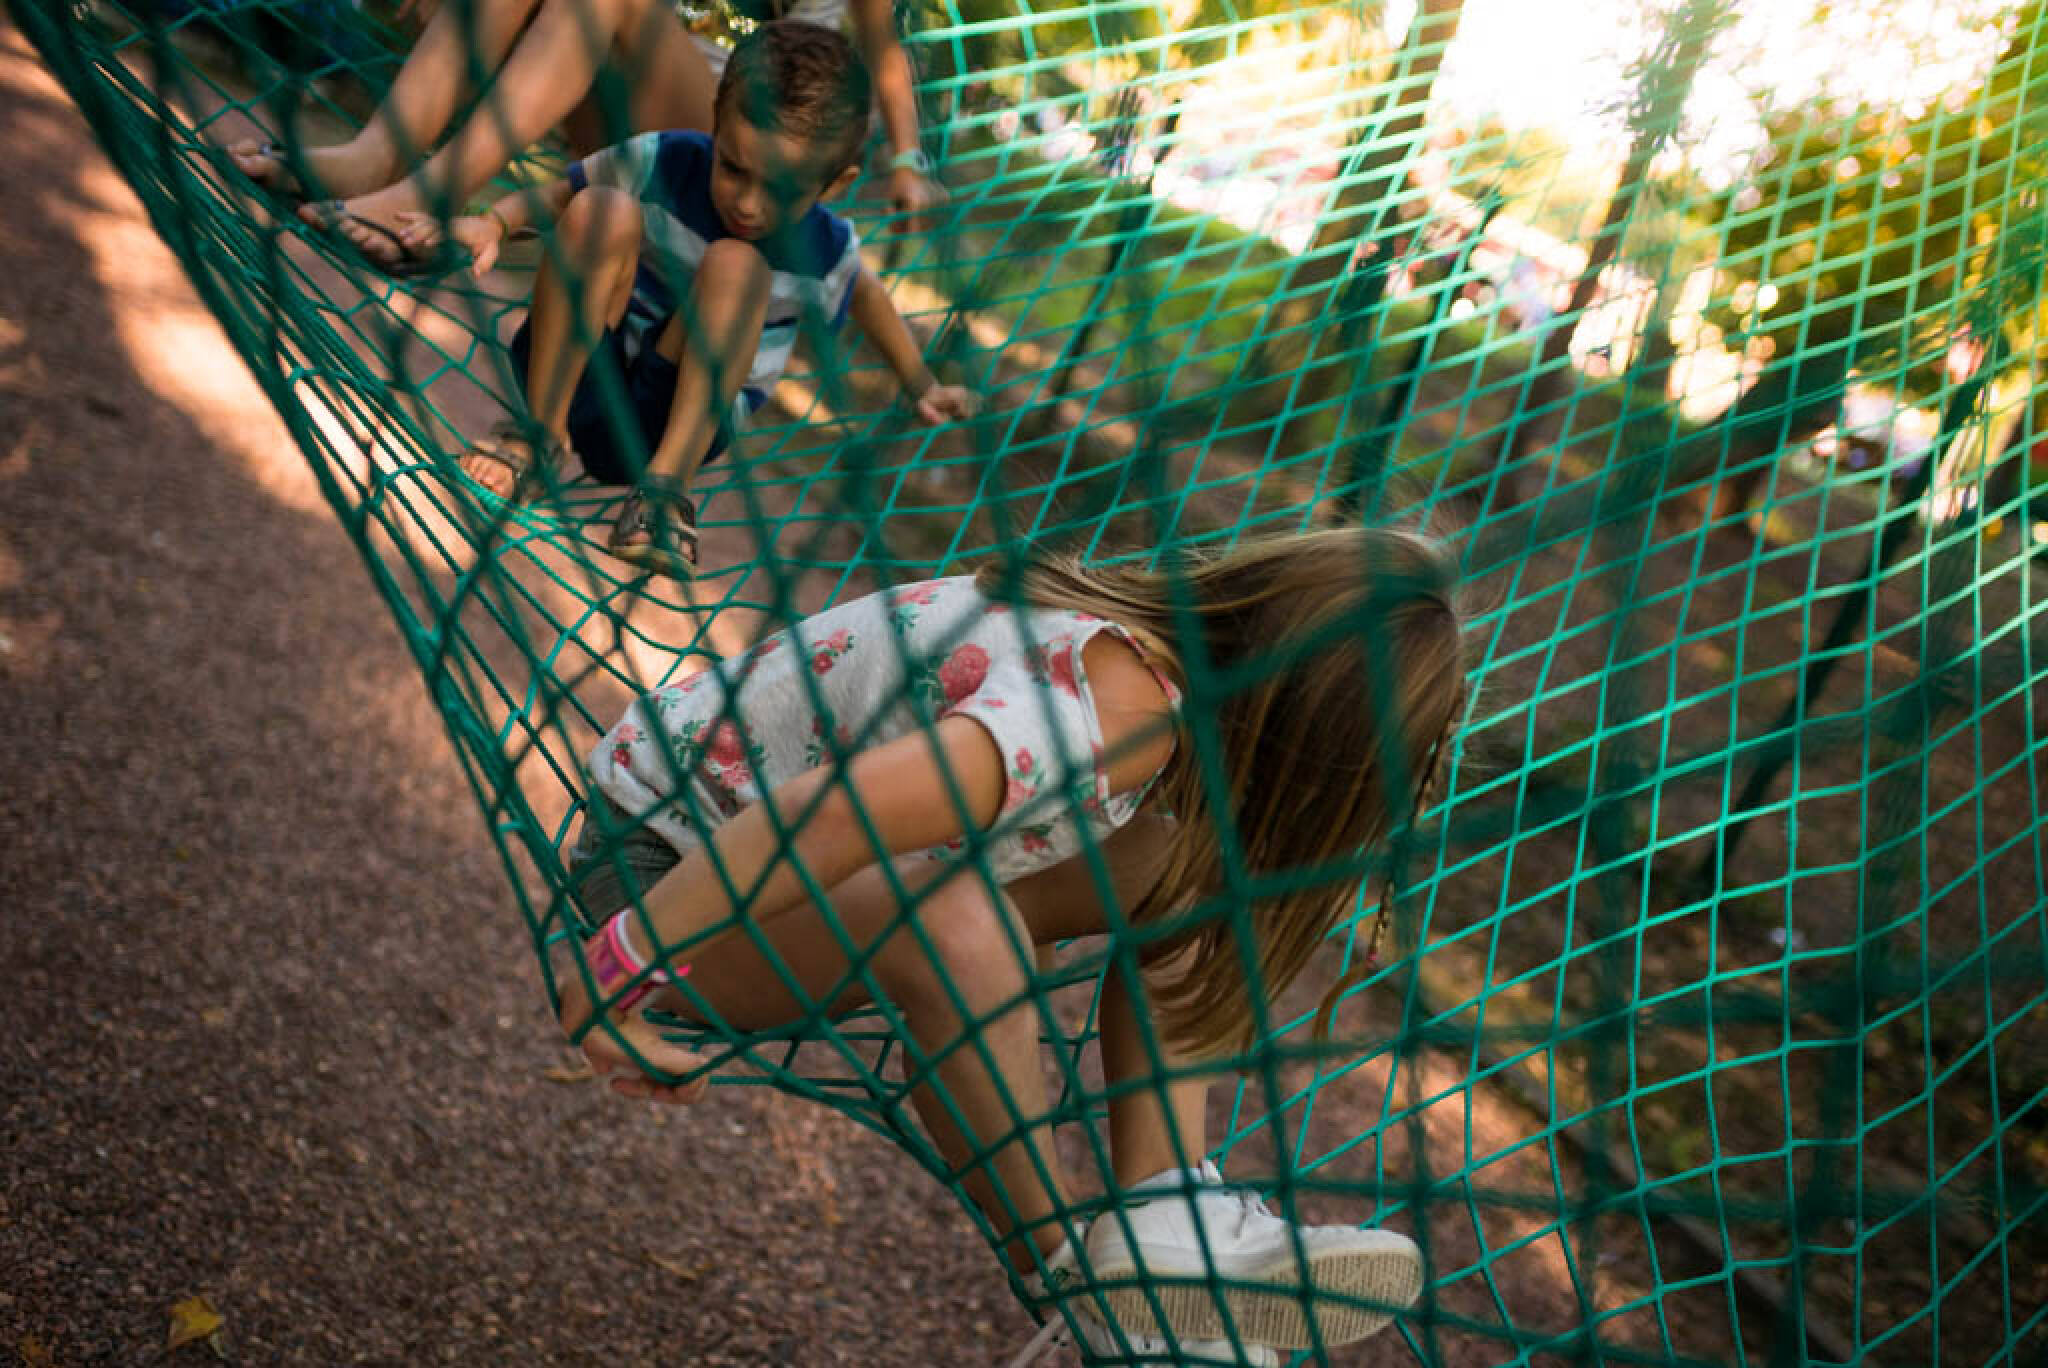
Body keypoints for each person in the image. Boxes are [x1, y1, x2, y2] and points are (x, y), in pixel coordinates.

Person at [554, 526, 1464, 1360]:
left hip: (761, 872)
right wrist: (617, 968)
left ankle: (1164, 1213)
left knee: (1200, 876)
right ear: (1312, 745)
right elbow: (825, 818)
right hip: (662, 878)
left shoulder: (1150, 679)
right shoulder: (1113, 718)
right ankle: (1088, 1292)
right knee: (957, 920)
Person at [400, 22, 973, 576]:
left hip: (672, 421)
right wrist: (494, 224)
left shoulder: (823, 248)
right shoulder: (666, 159)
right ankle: (537, 439)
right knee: (601, 208)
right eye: (733, 168)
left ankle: (662, 497)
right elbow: (560, 197)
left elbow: (867, 296)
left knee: (738, 266)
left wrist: (920, 382)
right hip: (580, 371)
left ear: (836, 184)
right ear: (716, 126)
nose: (747, 204)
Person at [225, 0, 945, 271]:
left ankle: (430, 193)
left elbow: (882, 50)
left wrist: (907, 159)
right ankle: (375, 157)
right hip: (609, 108)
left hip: (722, 146)